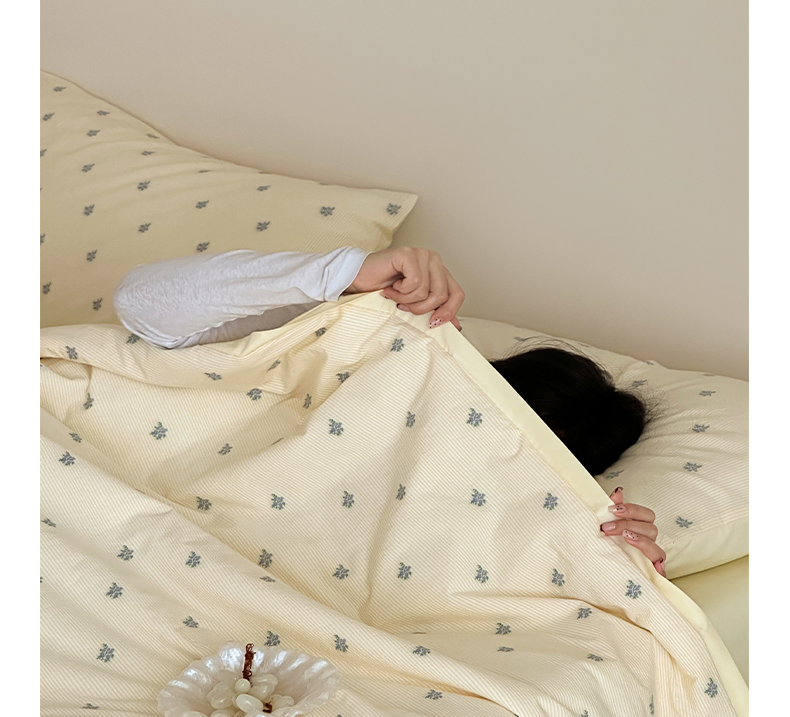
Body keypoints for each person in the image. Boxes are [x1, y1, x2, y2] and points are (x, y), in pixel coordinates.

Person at [113, 244, 667, 576]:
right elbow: (141, 307)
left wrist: (622, 571)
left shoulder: (503, 523)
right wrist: (342, 273)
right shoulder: (378, 346)